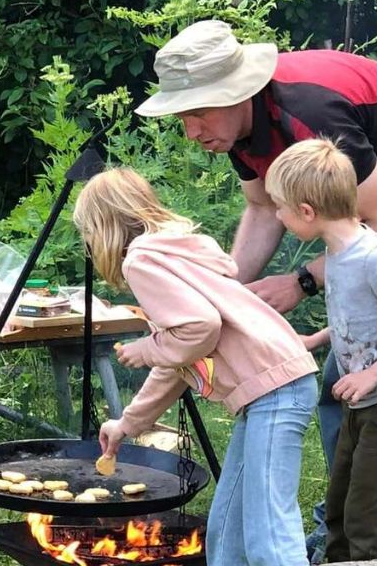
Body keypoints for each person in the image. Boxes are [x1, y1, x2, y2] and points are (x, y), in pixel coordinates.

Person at [135, 19, 377, 559]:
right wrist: (219, 290)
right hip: (375, 219)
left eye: (199, 111)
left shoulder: (312, 115)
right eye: (184, 116)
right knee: (341, 380)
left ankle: (362, 541)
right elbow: (259, 208)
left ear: (239, 93)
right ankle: (339, 532)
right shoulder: (239, 131)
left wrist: (301, 280)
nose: (191, 130)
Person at [73, 167, 319, 566]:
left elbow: (200, 328)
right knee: (228, 530)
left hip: (274, 389)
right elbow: (181, 356)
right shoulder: (174, 251)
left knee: (268, 530)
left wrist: (147, 348)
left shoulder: (141, 261)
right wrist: (128, 424)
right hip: (270, 389)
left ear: (103, 227)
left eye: (87, 233)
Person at [265, 138, 377, 561]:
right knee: (340, 512)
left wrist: (372, 374)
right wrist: (318, 339)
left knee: (367, 523)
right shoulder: (338, 251)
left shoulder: (372, 257)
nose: (276, 215)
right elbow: (362, 314)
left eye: (280, 207)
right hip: (362, 403)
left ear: (307, 212)